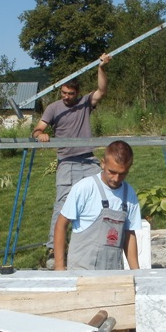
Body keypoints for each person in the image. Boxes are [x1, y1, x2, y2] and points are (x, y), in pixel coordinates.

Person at [32, 53, 112, 268]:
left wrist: (101, 68)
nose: (67, 96)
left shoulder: (85, 103)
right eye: (64, 93)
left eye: (71, 93)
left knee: (102, 199)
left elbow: (102, 90)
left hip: (88, 160)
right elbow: (38, 128)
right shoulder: (53, 108)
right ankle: (53, 250)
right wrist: (41, 134)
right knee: (62, 206)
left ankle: (98, 244)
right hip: (67, 162)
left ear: (77, 93)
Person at [53, 140, 142, 271]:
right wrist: (59, 267)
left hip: (114, 272)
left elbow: (129, 235)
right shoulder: (84, 188)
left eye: (122, 173)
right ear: (103, 163)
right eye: (112, 172)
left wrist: (137, 273)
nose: (116, 178)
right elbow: (61, 224)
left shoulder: (129, 194)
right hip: (81, 270)